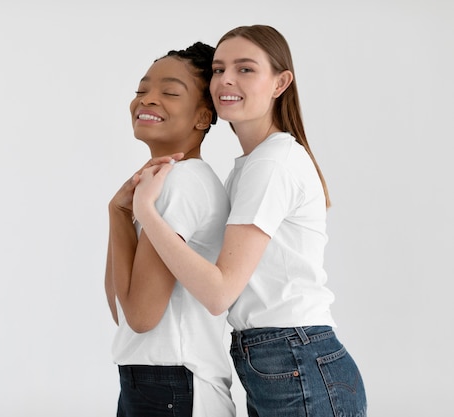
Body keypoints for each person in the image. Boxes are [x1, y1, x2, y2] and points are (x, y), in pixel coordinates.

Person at [132, 25, 367, 417]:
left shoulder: (273, 164)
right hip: (280, 360)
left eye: (245, 69)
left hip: (296, 358)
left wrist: (146, 213)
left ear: (280, 83)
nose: (226, 80)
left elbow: (219, 292)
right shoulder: (250, 166)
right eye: (219, 69)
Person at [105, 42, 236, 417]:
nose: (147, 100)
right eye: (141, 91)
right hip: (153, 379)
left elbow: (141, 317)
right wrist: (118, 213)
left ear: (202, 117)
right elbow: (119, 307)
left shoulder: (181, 184)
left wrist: (137, 212)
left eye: (170, 92)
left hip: (173, 383)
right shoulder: (161, 184)